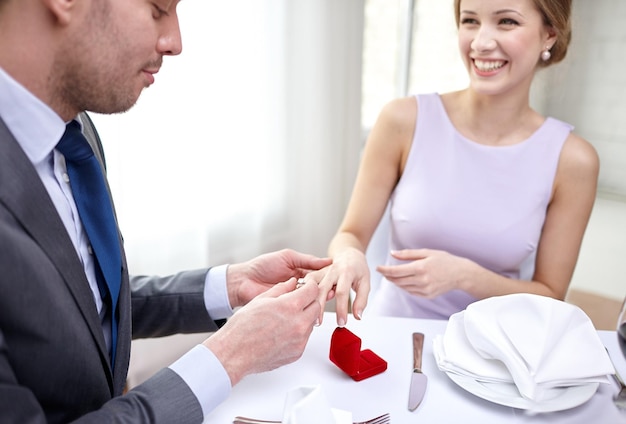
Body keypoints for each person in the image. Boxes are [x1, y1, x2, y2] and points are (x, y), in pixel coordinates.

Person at [0, 0, 332, 422]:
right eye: (158, 8)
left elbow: (80, 305)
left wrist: (228, 287)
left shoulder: (74, 133)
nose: (175, 42)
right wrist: (231, 356)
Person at [310, 0, 599, 325]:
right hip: (393, 337)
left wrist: (464, 276)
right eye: (470, 21)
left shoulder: (572, 159)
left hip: (497, 352)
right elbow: (350, 233)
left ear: (549, 35)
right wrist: (348, 255)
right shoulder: (403, 120)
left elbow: (550, 295)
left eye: (506, 22)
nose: (480, 42)